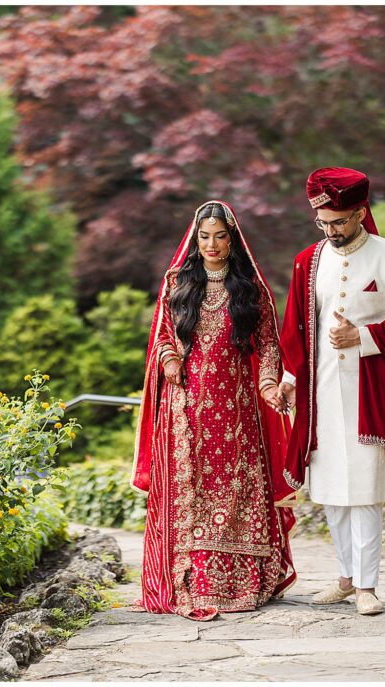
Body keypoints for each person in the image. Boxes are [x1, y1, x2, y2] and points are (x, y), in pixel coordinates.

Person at [132, 200, 298, 621]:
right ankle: (191, 582)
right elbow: (162, 336)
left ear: (232, 239)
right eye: (204, 237)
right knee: (194, 492)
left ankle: (241, 583)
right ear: (195, 239)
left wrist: (267, 383)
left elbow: (269, 344)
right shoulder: (177, 282)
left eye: (220, 236)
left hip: (237, 411)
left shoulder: (250, 287)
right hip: (186, 408)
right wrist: (169, 359)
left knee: (237, 489)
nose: (211, 244)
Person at [278, 167, 385, 616]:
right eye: (323, 223)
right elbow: (297, 329)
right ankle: (345, 578)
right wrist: (290, 379)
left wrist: (362, 337)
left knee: (364, 489)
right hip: (322, 391)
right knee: (331, 489)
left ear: (361, 213)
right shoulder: (308, 261)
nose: (331, 231)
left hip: (370, 391)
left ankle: (367, 586)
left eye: (339, 222)